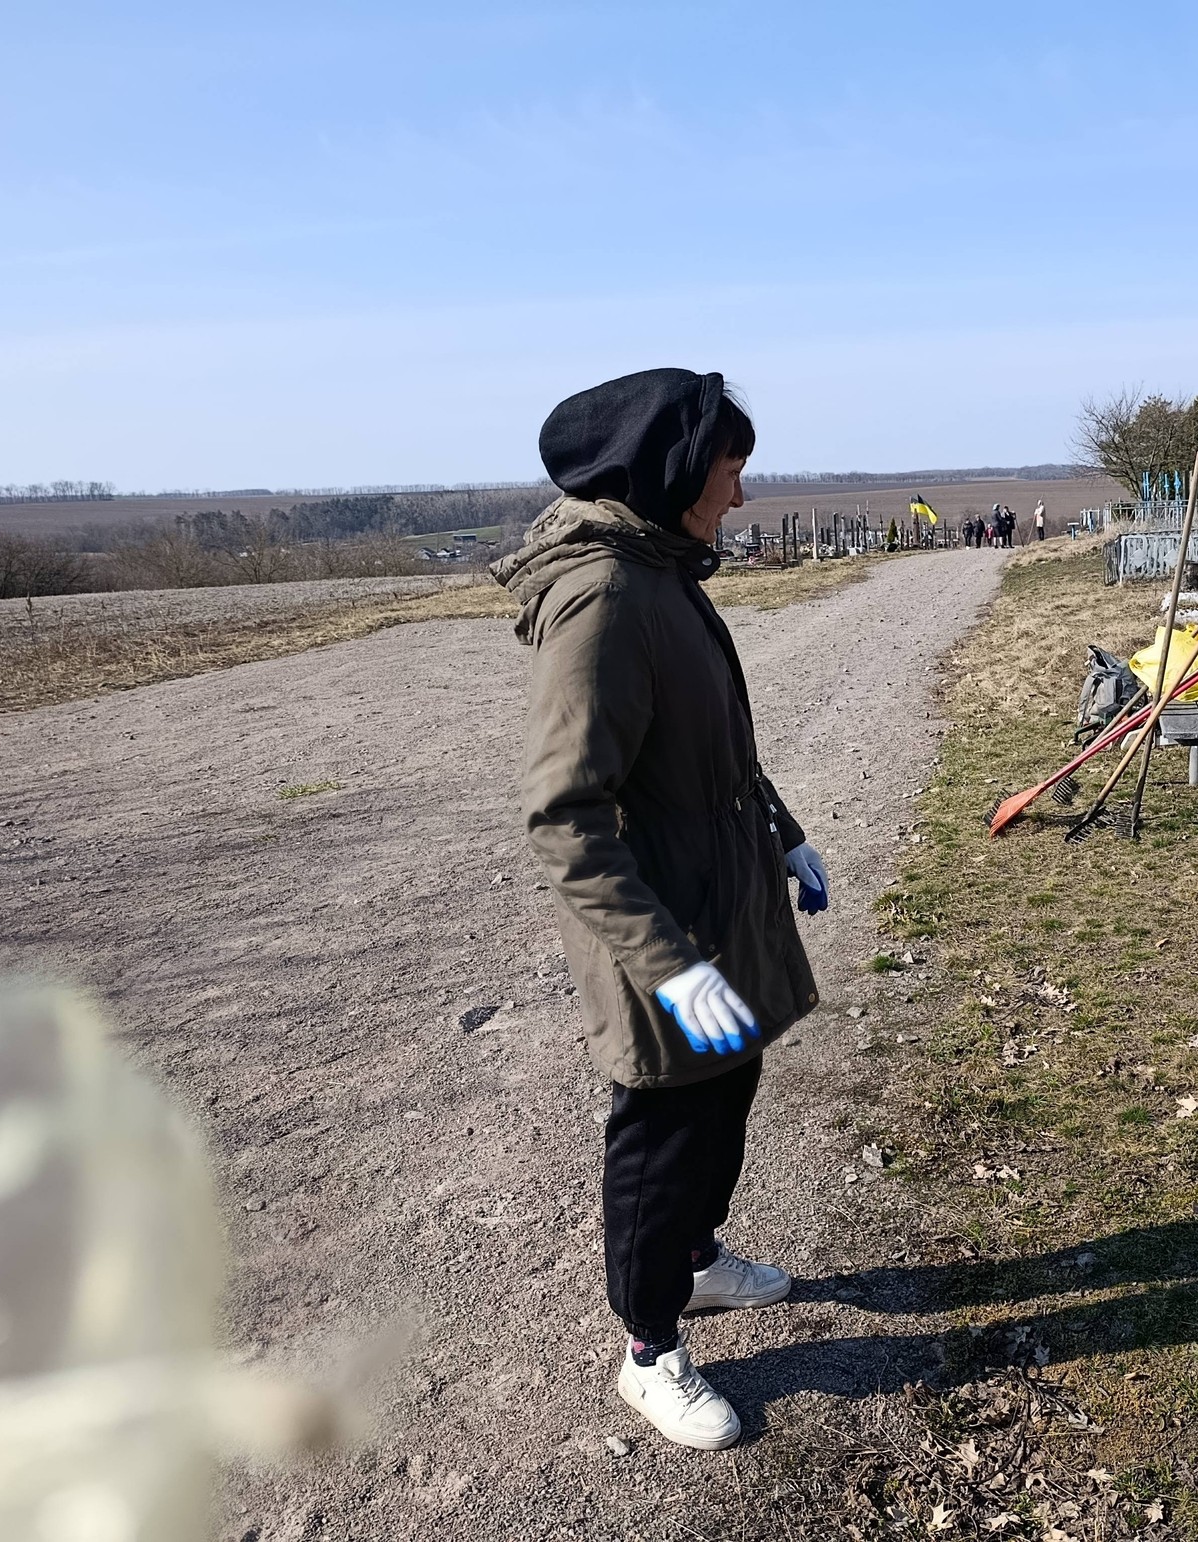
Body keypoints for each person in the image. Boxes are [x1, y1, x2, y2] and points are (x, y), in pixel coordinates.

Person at [493, 368, 828, 1451]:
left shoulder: (662, 570)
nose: (741, 493)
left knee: (726, 1097)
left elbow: (720, 744)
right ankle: (648, 1350)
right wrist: (669, 966)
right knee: (663, 1136)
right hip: (662, 931)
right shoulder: (604, 597)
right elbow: (563, 816)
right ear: (678, 470)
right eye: (730, 469)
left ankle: (696, 1261)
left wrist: (784, 830)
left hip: (721, 901)